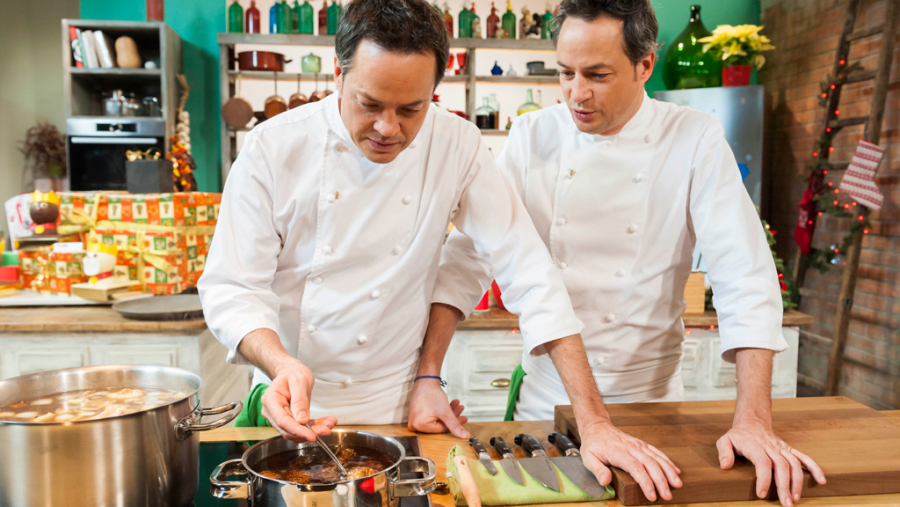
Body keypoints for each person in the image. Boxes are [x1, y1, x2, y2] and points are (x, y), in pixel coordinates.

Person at [423, 1, 827, 506]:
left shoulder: (693, 138)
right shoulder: (534, 136)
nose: (576, 93)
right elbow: (468, 255)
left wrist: (753, 420)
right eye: (565, 73)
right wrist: (428, 374)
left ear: (645, 65)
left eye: (597, 74)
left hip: (652, 404)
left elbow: (743, 272)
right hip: (550, 402)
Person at [198, 0, 585, 444]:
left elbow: (528, 265)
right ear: (339, 77)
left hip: (401, 407)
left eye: (410, 109)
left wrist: (591, 422)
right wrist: (280, 364)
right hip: (291, 402)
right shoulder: (273, 147)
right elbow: (232, 287)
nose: (388, 127)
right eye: (370, 103)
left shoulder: (457, 144)